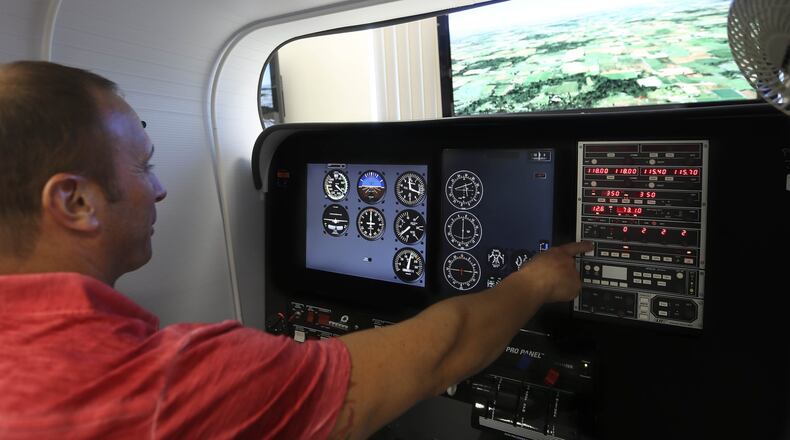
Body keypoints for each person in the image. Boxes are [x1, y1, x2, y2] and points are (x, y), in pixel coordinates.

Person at [0, 60, 592, 439]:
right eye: (143, 166)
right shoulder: (163, 386)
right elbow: (440, 356)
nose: (158, 188)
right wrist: (536, 281)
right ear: (75, 201)